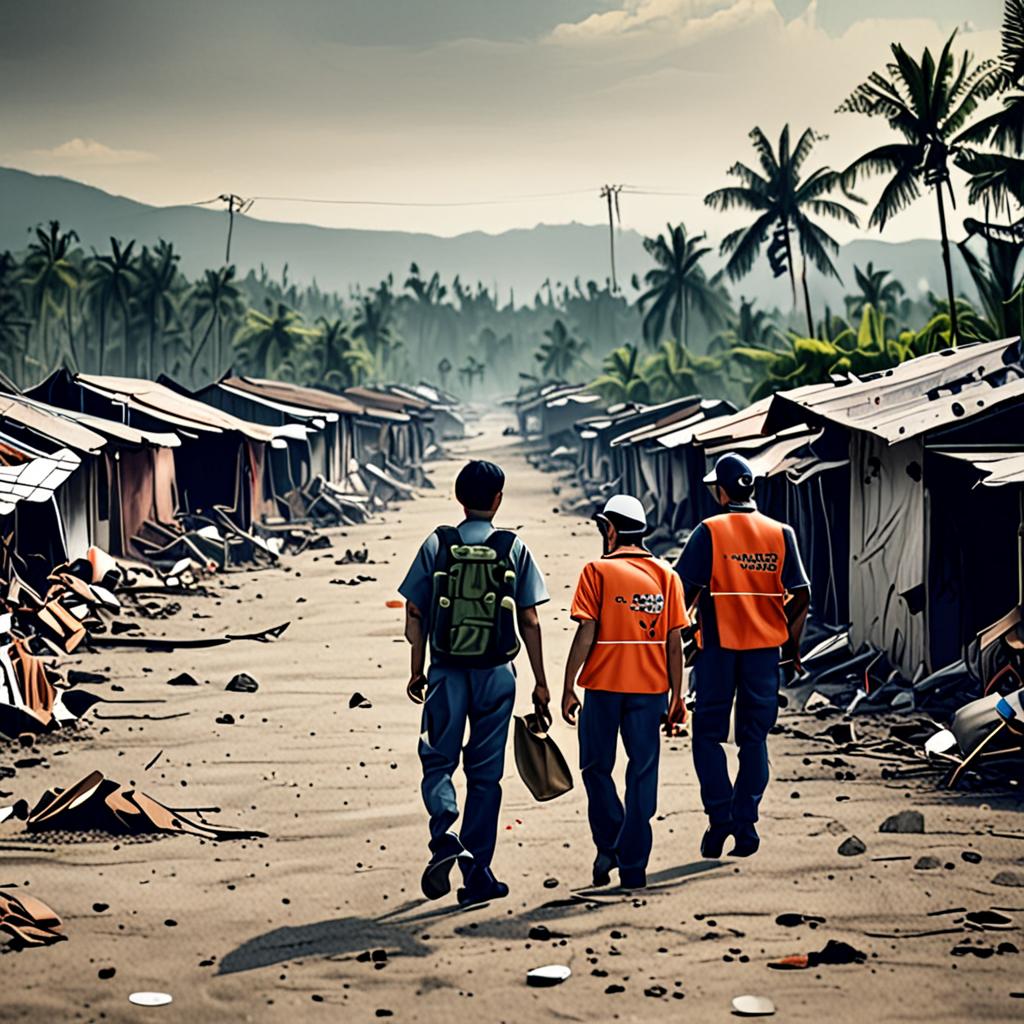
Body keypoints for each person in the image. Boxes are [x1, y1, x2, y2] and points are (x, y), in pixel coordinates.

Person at [399, 459, 550, 906]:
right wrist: (541, 683)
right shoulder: (513, 547)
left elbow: (415, 612)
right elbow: (530, 619)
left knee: (438, 762)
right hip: (497, 675)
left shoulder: (438, 543)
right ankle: (477, 872)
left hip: (447, 671)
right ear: (498, 500)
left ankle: (445, 832)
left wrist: (417, 668)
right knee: (485, 777)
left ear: (458, 497)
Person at [676, 452, 810, 859]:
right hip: (764, 654)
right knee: (754, 739)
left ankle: (720, 819)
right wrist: (790, 645)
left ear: (721, 492)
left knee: (707, 736)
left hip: (717, 650)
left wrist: (684, 636)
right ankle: (746, 823)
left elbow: (681, 593)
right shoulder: (781, 533)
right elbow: (801, 593)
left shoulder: (709, 532)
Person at [562, 494, 687, 890]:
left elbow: (586, 632)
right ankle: (633, 864)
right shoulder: (667, 575)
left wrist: (568, 685)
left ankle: (609, 844)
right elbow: (674, 643)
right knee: (643, 772)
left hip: (602, 689)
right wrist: (678, 696)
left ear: (611, 530)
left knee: (595, 768)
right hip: (650, 691)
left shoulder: (596, 571)